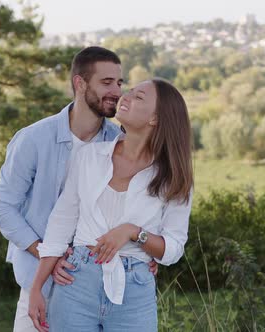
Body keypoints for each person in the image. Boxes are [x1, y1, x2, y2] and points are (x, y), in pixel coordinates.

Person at [0, 46, 156, 332]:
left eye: (119, 82)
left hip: (100, 288)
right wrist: (45, 254)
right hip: (39, 283)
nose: (117, 92)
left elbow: (137, 206)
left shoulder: (121, 142)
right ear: (80, 84)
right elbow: (4, 207)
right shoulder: (33, 139)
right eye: (106, 83)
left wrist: (146, 252)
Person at [28, 78, 194, 331]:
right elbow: (61, 223)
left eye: (139, 97)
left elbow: (172, 249)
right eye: (130, 91)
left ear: (155, 119)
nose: (125, 97)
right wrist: (37, 288)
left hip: (135, 292)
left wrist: (133, 232)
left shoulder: (174, 177)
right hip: (76, 282)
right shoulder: (89, 157)